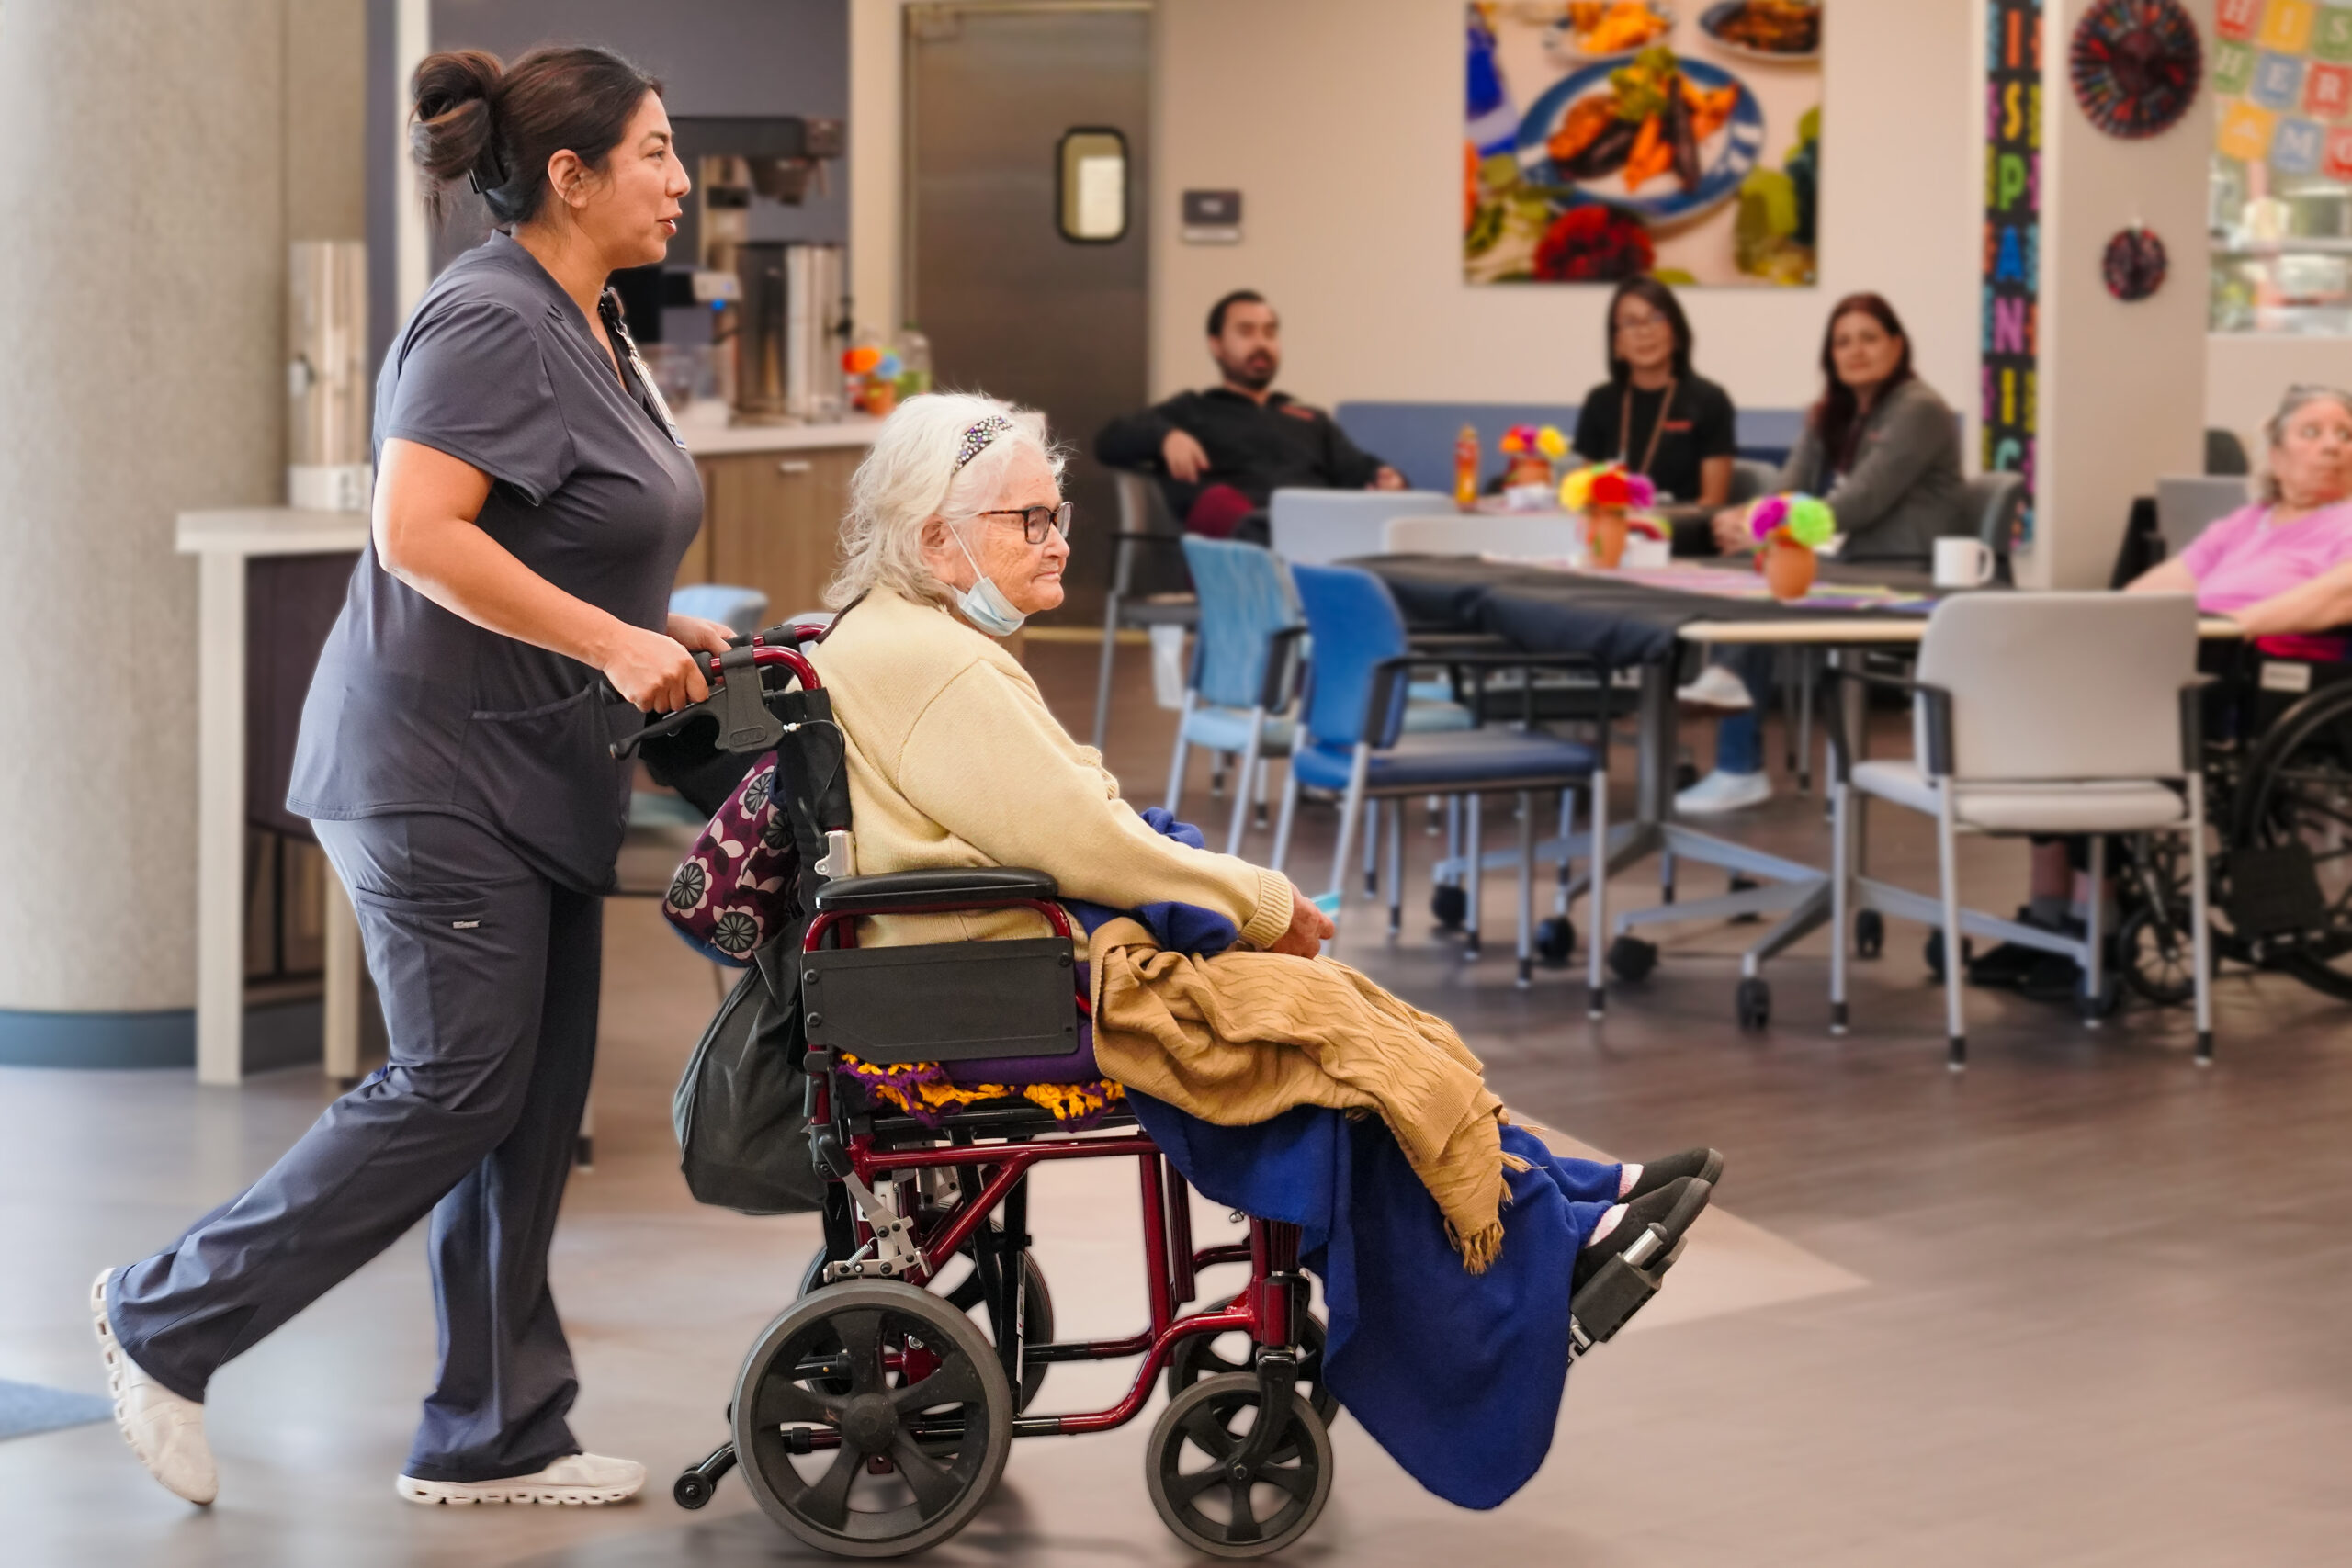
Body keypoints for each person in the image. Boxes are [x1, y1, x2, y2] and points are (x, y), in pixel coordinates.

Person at [94, 46, 718, 1510]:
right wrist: (608, 639)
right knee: (455, 1082)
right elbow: (416, 530)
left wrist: (657, 622)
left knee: (526, 1096)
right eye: (656, 152)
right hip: (435, 769)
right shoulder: (491, 315)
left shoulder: (591, 317)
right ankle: (163, 1314)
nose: (681, 181)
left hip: (537, 763)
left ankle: (494, 1429)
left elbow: (570, 521)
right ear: (570, 174)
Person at [810, 387, 1715, 1331]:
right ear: (931, 541)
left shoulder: (901, 634)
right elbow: (1084, 840)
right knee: (1321, 1025)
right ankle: (1536, 1247)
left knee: (1341, 1009)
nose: (1057, 540)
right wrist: (1261, 901)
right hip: (1010, 981)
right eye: (1028, 519)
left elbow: (1065, 817)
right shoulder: (939, 663)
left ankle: (1550, 1190)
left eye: (1056, 513)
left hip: (993, 959)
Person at [1976, 384, 2352, 997]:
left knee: (2087, 726)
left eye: (2346, 434)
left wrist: (2232, 625)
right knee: (2047, 699)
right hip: (2186, 652)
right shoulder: (2248, 521)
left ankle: (2089, 924)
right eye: (2312, 432)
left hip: (2254, 672)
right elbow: (2162, 583)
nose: (2333, 445)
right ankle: (2046, 916)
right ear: (2276, 457)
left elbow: (2340, 594)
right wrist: (2105, 625)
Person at [1678, 292, 1966, 814]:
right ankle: (1735, 745)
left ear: (1897, 345)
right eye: (1842, 342)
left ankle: (1734, 733)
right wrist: (1750, 518)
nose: (1855, 351)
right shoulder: (1827, 415)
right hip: (1844, 563)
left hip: (1904, 572)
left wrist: (1765, 533)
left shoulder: (1919, 408)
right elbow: (1787, 489)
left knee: (1766, 562)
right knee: (1752, 562)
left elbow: (1862, 501)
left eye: (1869, 338)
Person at [1095, 290, 1405, 542]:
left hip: (1310, 530)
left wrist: (1387, 478)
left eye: (1270, 333)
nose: (1261, 343)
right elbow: (1110, 441)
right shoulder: (1192, 410)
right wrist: (1164, 436)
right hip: (1230, 544)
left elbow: (1359, 470)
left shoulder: (1310, 419)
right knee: (1219, 502)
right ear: (1216, 345)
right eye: (1246, 332)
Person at [1572, 276, 1737, 509]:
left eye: (1656, 318)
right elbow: (1588, 496)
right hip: (1614, 532)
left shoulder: (1710, 400)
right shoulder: (1600, 401)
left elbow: (1712, 503)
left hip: (1682, 537)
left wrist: (1651, 526)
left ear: (1677, 333)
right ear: (1617, 343)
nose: (1644, 332)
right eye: (1630, 322)